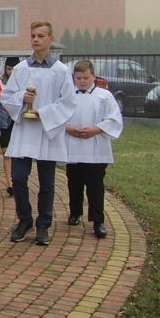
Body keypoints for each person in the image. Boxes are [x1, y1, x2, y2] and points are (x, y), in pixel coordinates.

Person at [0, 20, 76, 246]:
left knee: (47, 183)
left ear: (51, 39)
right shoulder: (22, 68)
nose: (36, 40)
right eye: (33, 35)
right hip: (25, 130)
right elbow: (7, 95)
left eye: (41, 36)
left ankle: (44, 224)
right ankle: (25, 220)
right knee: (19, 177)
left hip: (46, 132)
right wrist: (21, 99)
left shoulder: (61, 71)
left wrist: (43, 112)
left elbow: (68, 103)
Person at [65, 60, 123, 239]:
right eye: (78, 77)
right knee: (74, 181)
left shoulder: (104, 96)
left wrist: (96, 129)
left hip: (96, 147)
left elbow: (114, 118)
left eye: (85, 77)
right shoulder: (68, 95)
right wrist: (68, 128)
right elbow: (58, 115)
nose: (82, 81)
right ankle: (75, 212)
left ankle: (98, 221)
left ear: (94, 77)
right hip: (73, 145)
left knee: (95, 185)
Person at [0, 56, 20, 196]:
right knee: (6, 153)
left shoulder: (23, 84)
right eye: (9, 69)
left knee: (17, 154)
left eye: (14, 69)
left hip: (18, 122)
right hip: (3, 123)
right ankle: (10, 183)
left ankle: (18, 179)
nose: (11, 71)